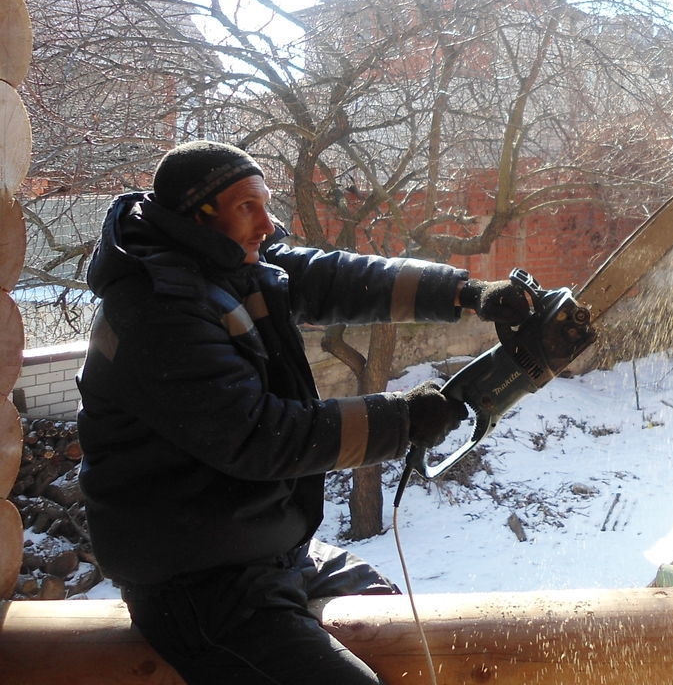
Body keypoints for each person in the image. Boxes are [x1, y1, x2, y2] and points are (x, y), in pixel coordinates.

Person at [76, 140, 535, 684]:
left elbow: (339, 277)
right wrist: (402, 420)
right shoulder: (156, 309)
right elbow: (256, 437)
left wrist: (465, 292)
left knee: (398, 626)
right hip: (197, 582)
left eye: (266, 204)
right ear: (195, 218)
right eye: (248, 207)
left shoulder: (225, 265)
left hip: (270, 551)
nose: (268, 225)